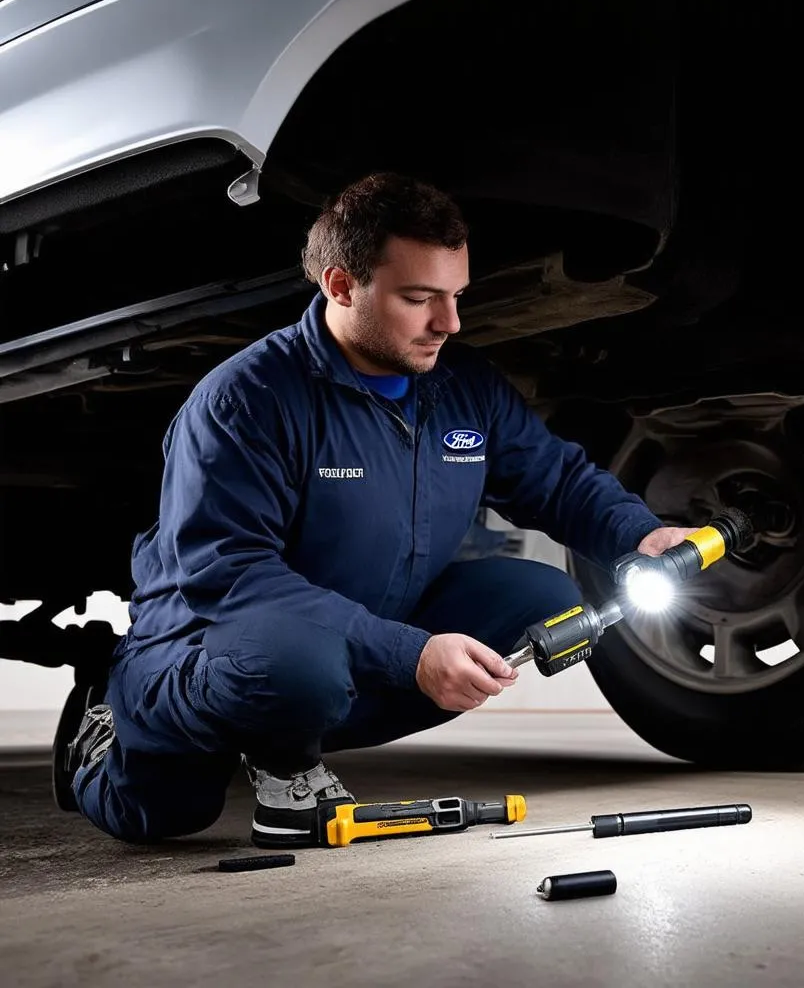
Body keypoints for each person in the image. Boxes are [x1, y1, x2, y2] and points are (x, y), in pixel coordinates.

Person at [54, 172, 695, 847]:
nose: (448, 323)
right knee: (170, 809)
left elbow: (557, 481)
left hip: (336, 639)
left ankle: (283, 738)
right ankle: (107, 727)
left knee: (543, 597)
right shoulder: (248, 400)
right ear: (339, 285)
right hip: (205, 644)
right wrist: (410, 652)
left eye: (455, 296)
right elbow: (231, 576)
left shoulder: (462, 386)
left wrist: (641, 535)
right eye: (419, 298)